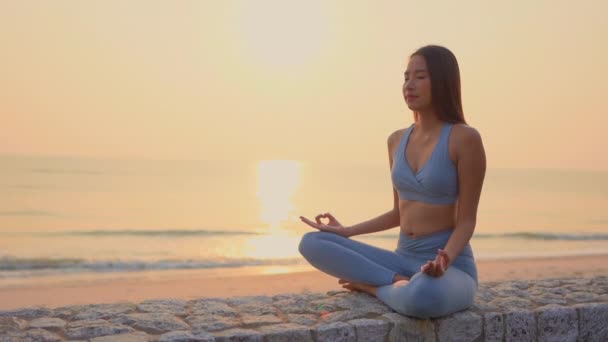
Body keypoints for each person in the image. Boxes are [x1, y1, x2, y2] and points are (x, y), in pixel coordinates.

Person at [298, 45, 486, 319]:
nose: (409, 85)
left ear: (442, 81)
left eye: (420, 77)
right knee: (311, 242)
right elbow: (399, 212)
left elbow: (467, 221)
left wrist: (444, 260)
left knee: (423, 295)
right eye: (406, 77)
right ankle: (395, 280)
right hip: (401, 259)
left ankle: (373, 288)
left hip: (450, 267)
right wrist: (348, 231)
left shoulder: (465, 139)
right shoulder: (396, 140)